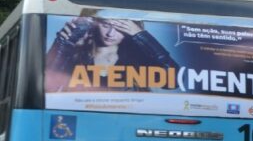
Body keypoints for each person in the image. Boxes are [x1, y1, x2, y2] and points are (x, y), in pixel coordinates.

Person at [45, 16, 178, 91]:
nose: (110, 33)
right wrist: (62, 43)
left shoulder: (138, 60)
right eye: (105, 25)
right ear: (95, 24)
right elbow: (45, 86)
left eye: (119, 28)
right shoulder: (75, 55)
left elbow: (174, 81)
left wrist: (141, 36)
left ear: (130, 29)